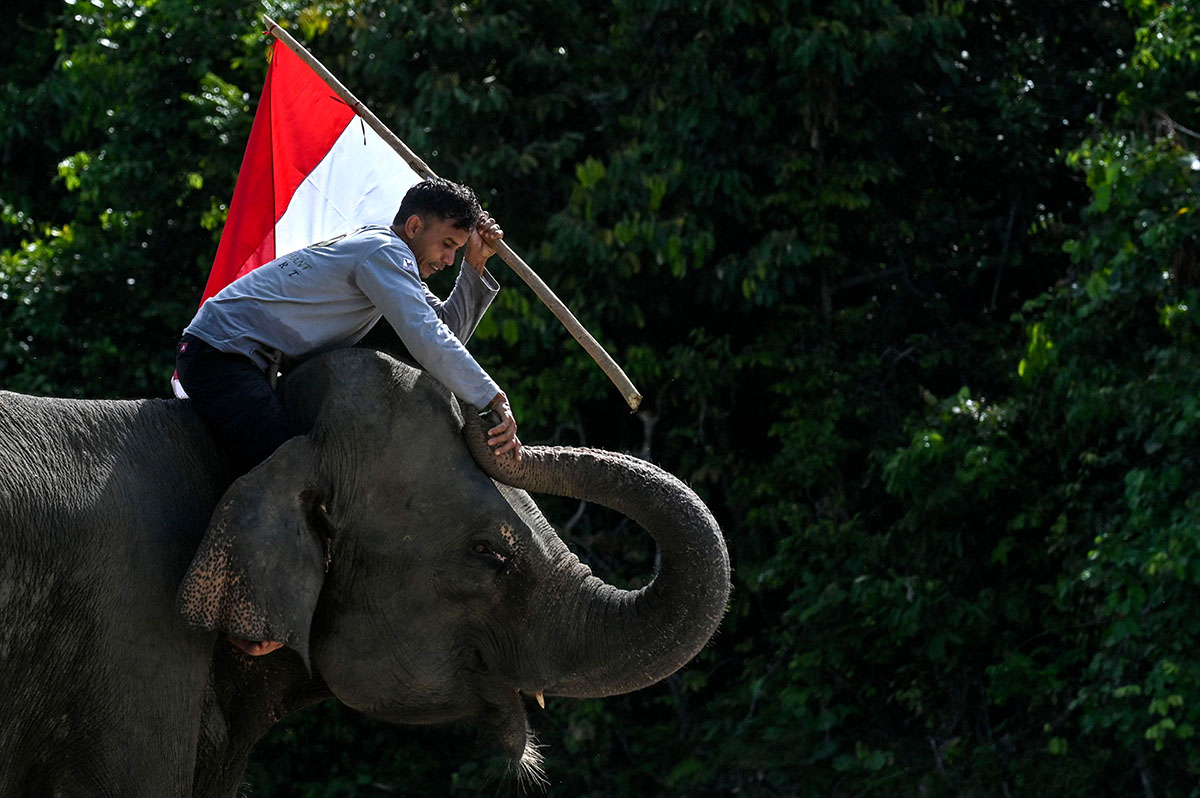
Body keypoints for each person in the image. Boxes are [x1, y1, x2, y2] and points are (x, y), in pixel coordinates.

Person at [176, 179, 521, 655]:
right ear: (414, 225)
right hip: (222, 354)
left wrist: (475, 266)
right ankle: (247, 608)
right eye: (446, 245)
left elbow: (440, 337)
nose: (446, 260)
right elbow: (428, 338)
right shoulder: (383, 254)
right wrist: (491, 398)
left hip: (257, 367)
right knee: (291, 469)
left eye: (455, 250)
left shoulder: (390, 262)